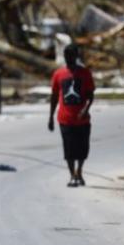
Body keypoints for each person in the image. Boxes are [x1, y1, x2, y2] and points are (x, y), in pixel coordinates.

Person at [48, 44, 95, 187]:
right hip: (65, 118)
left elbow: (90, 95)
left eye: (71, 55)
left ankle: (79, 171)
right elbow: (54, 96)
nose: (69, 58)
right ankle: (72, 175)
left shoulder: (85, 73)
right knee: (69, 149)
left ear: (76, 56)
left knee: (82, 149)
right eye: (66, 55)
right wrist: (50, 117)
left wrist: (85, 109)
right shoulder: (58, 74)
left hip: (82, 119)